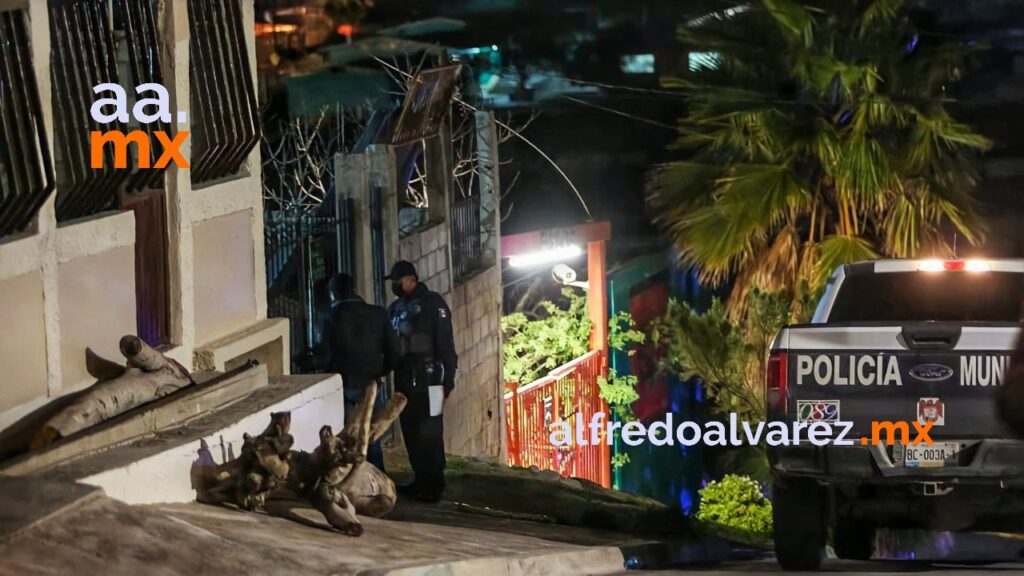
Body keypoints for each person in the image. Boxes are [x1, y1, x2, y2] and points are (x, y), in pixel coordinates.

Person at [385, 260, 458, 502]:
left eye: (399, 281)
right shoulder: (395, 308)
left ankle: (434, 483)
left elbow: (446, 344)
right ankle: (421, 480)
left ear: (412, 279)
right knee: (411, 431)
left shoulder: (433, 304)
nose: (395, 286)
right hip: (405, 379)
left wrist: (448, 381)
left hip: (432, 379)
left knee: (430, 432)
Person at [318, 273, 398, 472]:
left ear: (333, 293)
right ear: (354, 289)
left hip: (342, 386)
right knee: (371, 435)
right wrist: (380, 373)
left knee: (346, 437)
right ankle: (377, 477)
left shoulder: (331, 317)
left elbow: (325, 356)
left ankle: (352, 478)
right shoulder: (378, 314)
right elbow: (395, 353)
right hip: (370, 383)